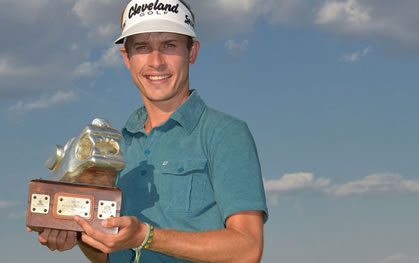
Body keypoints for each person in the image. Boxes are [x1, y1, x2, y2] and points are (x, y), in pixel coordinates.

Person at [32, 0, 268, 262]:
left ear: (192, 51)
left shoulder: (225, 134)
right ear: (127, 58)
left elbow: (248, 249)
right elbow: (109, 255)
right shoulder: (115, 148)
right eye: (142, 47)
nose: (156, 62)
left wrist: (145, 236)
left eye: (169, 45)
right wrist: (77, 235)